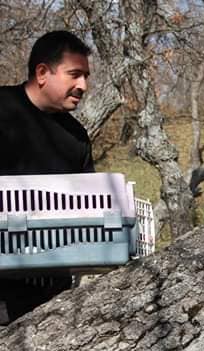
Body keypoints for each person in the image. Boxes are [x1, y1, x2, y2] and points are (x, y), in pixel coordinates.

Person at [0, 30, 94, 324]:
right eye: (75, 74)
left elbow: (86, 210)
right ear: (42, 72)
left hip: (49, 301)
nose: (83, 86)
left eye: (86, 76)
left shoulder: (77, 138)